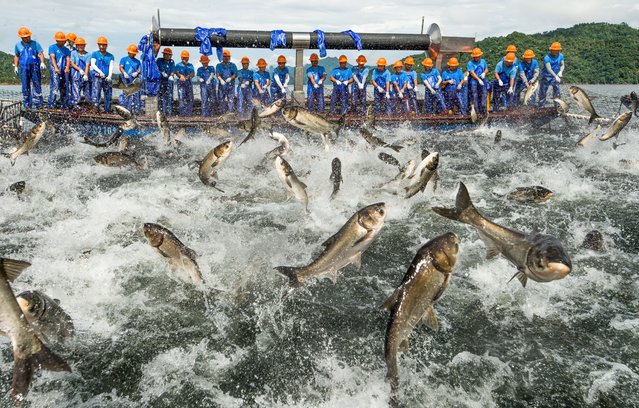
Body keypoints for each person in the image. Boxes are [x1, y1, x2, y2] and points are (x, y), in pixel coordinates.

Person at [13, 26, 46, 108]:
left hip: (35, 67)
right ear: (21, 37)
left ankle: (38, 104)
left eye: (28, 36)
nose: (28, 38)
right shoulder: (18, 45)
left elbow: (41, 53)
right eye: (26, 37)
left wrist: (42, 62)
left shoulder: (35, 44)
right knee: (25, 86)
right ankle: (27, 105)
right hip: (24, 68)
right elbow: (16, 56)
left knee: (37, 85)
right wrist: (16, 67)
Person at [90, 36, 114, 113]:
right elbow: (93, 64)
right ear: (98, 45)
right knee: (96, 93)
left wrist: (109, 76)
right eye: (100, 45)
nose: (102, 46)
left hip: (107, 78)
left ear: (106, 46)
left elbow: (111, 66)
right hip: (97, 77)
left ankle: (108, 111)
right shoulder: (95, 54)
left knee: (108, 95)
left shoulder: (110, 56)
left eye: (104, 45)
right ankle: (95, 110)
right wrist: (100, 72)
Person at [48, 31, 71, 109]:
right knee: (55, 87)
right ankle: (51, 104)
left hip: (64, 70)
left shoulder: (66, 50)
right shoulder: (52, 47)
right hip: (55, 70)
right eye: (60, 41)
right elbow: (52, 58)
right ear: (57, 40)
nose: (62, 42)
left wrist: (67, 67)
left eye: (63, 41)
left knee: (64, 88)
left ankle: (63, 104)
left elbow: (68, 59)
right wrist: (56, 68)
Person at [538, 42, 564, 107]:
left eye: (556, 50)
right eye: (553, 50)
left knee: (556, 90)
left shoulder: (561, 56)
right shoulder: (547, 58)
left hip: (555, 76)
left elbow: (562, 64)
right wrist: (555, 76)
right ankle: (541, 106)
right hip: (546, 76)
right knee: (543, 91)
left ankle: (557, 105)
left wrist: (561, 71)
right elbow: (549, 69)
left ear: (559, 50)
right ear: (551, 50)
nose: (555, 51)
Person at [118, 44, 142, 114]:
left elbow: (139, 69)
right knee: (126, 94)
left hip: (134, 81)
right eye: (132, 53)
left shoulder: (137, 61)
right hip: (126, 80)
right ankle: (125, 109)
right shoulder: (124, 59)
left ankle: (135, 111)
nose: (133, 54)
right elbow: (121, 67)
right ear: (128, 52)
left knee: (135, 96)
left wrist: (137, 73)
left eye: (134, 53)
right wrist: (124, 73)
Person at [68, 37, 90, 108]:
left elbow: (87, 65)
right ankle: (76, 107)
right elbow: (72, 63)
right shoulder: (73, 53)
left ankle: (87, 107)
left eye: (82, 45)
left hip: (84, 75)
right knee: (75, 91)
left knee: (86, 92)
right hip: (75, 74)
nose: (80, 46)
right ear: (76, 46)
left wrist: (86, 74)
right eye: (79, 45)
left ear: (84, 46)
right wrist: (79, 69)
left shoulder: (88, 54)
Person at [466, 47, 488, 114]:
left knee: (483, 95)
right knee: (474, 96)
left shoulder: (483, 61)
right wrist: (478, 79)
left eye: (478, 57)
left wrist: (484, 73)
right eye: (475, 57)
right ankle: (477, 112)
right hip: (473, 82)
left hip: (482, 81)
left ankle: (483, 111)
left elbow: (486, 69)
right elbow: (472, 73)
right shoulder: (470, 63)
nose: (476, 58)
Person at [174, 50, 195, 116]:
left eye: (186, 58)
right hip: (181, 83)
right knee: (181, 98)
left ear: (188, 58)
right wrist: (180, 76)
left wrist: (188, 76)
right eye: (183, 58)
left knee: (190, 99)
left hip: (189, 83)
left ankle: (189, 113)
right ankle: (182, 114)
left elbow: (193, 73)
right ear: (181, 58)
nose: (185, 59)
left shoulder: (190, 65)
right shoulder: (178, 65)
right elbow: (176, 72)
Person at [156, 47, 175, 115]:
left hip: (169, 82)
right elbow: (156, 69)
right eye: (165, 54)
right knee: (160, 97)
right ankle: (161, 113)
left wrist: (171, 75)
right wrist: (161, 72)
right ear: (163, 55)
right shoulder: (159, 60)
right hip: (160, 81)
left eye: (169, 54)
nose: (167, 56)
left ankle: (168, 113)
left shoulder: (172, 62)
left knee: (169, 97)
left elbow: (173, 71)